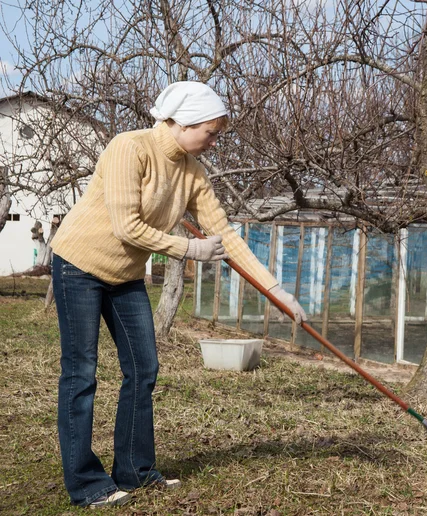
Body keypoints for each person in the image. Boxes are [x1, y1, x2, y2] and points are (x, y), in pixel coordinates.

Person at [50, 81, 306, 508]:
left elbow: (224, 234)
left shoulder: (192, 171)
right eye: (211, 131)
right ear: (185, 123)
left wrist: (275, 289)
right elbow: (126, 226)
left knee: (144, 368)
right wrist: (190, 248)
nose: (214, 141)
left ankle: (135, 471)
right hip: (78, 265)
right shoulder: (128, 147)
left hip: (124, 275)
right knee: (81, 374)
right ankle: (86, 483)